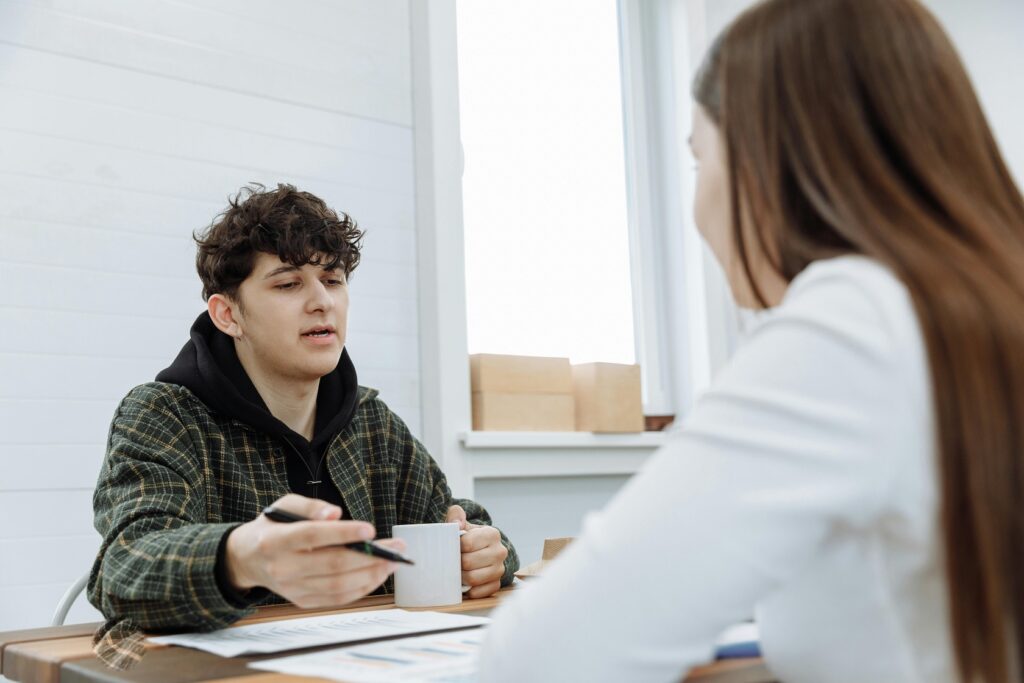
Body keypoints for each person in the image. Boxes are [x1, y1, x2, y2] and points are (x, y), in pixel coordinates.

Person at [478, 0, 1024, 681]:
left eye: (698, 159)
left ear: (767, 157)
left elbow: (536, 657)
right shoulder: (979, 305)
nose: (699, 204)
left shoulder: (854, 318)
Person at [88, 184, 519, 664]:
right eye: (288, 283)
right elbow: (125, 567)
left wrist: (486, 555)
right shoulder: (165, 414)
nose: (322, 302)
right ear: (228, 314)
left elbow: (457, 520)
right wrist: (240, 556)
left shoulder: (372, 424)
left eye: (332, 280)